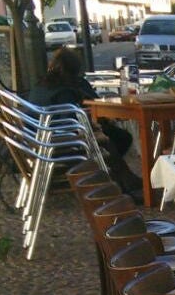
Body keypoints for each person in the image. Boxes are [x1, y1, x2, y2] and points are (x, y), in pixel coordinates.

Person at [26, 47, 138, 191]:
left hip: (37, 136)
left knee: (111, 135)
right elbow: (72, 121)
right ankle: (117, 179)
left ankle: (121, 177)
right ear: (75, 69)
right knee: (113, 139)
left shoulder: (41, 84)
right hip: (61, 138)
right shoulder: (65, 90)